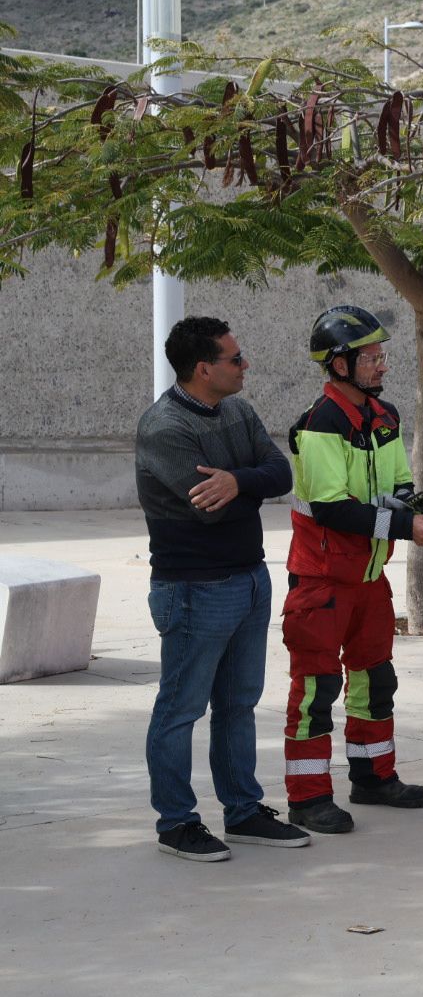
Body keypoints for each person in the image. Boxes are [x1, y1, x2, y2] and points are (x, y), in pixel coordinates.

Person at [136, 317, 310, 861]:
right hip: (193, 589)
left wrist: (238, 480)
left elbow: (281, 474)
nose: (245, 365)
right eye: (235, 359)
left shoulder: (237, 410)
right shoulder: (164, 427)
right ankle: (176, 823)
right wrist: (244, 480)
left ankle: (244, 811)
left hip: (249, 578)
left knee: (238, 704)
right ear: (203, 368)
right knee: (180, 709)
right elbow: (208, 510)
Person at [281, 305, 423, 834]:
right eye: (371, 357)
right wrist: (403, 530)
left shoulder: (384, 417)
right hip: (322, 582)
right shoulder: (321, 421)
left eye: (382, 355)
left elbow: (397, 484)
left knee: (375, 681)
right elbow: (331, 507)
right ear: (340, 365)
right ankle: (307, 798)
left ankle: (374, 777)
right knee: (316, 691)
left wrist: (414, 508)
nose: (382, 365)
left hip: (369, 581)